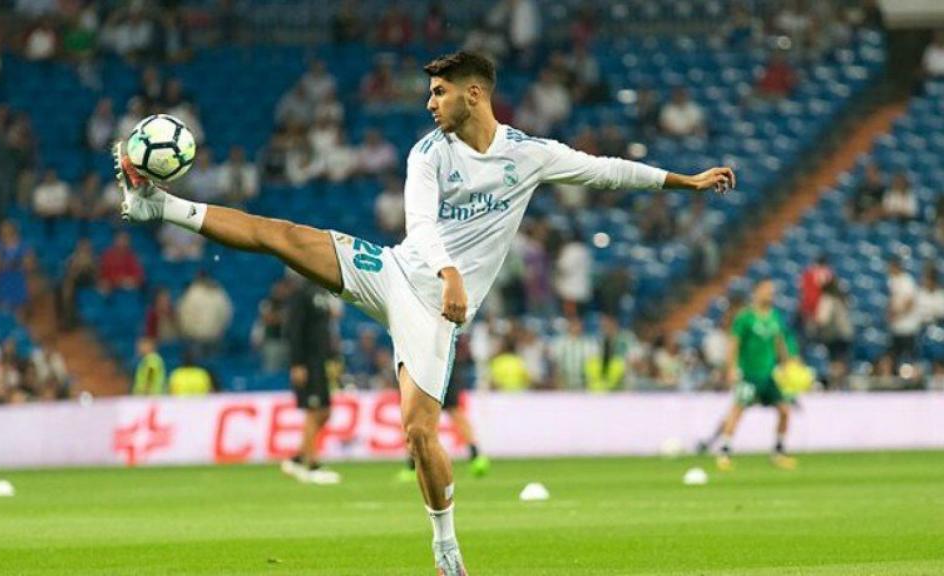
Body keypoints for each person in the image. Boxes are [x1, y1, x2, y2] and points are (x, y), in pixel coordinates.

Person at [113, 51, 734, 575]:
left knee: (417, 429)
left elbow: (607, 172)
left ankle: (444, 544)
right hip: (400, 273)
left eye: (439, 93)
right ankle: (157, 207)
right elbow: (420, 224)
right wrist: (449, 272)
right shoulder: (427, 154)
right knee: (283, 235)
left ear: (474, 93)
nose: (430, 103)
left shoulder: (530, 155)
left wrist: (686, 181)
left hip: (436, 311)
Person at [713, 279, 798, 472]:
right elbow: (734, 343)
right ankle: (724, 452)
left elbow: (779, 341)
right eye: (767, 290)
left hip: (768, 375)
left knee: (784, 410)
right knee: (737, 410)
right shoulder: (745, 318)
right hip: (749, 374)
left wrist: (786, 362)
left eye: (772, 291)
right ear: (756, 292)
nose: (770, 294)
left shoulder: (775, 316)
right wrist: (731, 368)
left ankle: (779, 451)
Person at [399, 334, 490, 482]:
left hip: (430, 361)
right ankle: (476, 457)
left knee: (418, 414)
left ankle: (412, 466)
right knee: (453, 412)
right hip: (439, 359)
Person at [279, 275, 343, 485]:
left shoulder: (322, 292)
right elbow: (293, 329)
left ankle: (298, 458)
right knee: (314, 410)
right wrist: (297, 363)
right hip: (308, 361)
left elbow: (327, 331)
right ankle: (311, 464)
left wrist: (333, 358)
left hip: (322, 360)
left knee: (324, 411)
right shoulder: (301, 293)